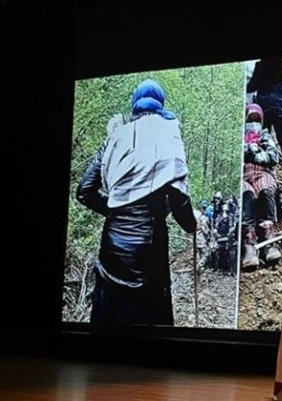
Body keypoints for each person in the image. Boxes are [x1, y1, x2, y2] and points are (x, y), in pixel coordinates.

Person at [76, 78, 196, 326]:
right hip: (148, 250)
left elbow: (84, 192)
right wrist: (192, 225)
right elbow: (178, 198)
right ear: (160, 103)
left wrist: (115, 212)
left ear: (135, 105)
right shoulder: (168, 133)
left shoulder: (116, 137)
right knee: (149, 327)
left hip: (111, 246)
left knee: (108, 318)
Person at [240, 103, 282, 269]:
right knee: (246, 194)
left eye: (257, 119)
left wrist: (253, 153)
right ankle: (248, 244)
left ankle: (269, 241)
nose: (253, 123)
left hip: (263, 173)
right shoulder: (239, 137)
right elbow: (239, 155)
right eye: (250, 119)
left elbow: (272, 157)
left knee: (265, 190)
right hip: (244, 175)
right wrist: (253, 151)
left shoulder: (265, 136)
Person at [246, 56, 282, 162]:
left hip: (265, 105)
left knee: (262, 135)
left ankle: (264, 159)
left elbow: (253, 86)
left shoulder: (260, 66)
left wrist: (243, 86)